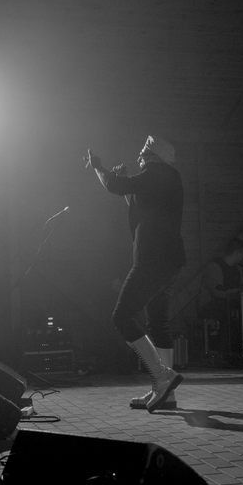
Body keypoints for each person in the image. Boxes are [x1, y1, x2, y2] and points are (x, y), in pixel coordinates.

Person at [86, 136, 185, 413]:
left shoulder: (155, 172)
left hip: (152, 260)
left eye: (143, 152)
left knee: (122, 316)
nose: (139, 156)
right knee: (158, 322)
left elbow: (114, 186)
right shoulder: (166, 177)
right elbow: (141, 207)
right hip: (170, 261)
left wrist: (98, 167)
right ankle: (166, 394)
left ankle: (163, 378)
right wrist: (126, 183)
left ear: (153, 156)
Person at [200, 238, 243, 361]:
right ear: (237, 253)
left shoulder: (238, 269)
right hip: (210, 305)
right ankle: (224, 353)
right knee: (230, 312)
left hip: (231, 304)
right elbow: (218, 292)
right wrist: (236, 292)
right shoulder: (214, 267)